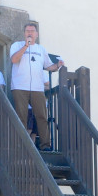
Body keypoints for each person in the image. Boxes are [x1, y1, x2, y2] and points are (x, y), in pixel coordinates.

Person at [9, 23, 63, 152]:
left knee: (42, 116)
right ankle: (21, 145)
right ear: (24, 33)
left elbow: (48, 66)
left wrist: (58, 65)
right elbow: (14, 60)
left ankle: (45, 145)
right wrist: (26, 46)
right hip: (19, 87)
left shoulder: (41, 49)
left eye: (32, 31)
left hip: (37, 88)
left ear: (37, 34)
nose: (30, 33)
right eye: (27, 30)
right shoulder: (16, 45)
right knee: (21, 117)